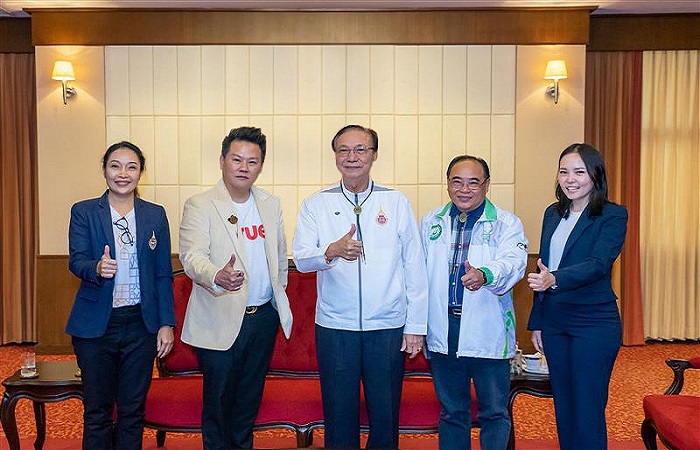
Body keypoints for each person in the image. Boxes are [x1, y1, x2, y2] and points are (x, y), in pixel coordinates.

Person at [292, 124, 428, 449]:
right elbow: (302, 259)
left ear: (374, 155)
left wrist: (415, 326)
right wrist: (331, 251)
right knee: (338, 413)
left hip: (387, 326)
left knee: (385, 413)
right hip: (336, 326)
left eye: (360, 149)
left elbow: (415, 266)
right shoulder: (316, 204)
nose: (352, 157)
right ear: (335, 156)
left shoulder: (395, 202)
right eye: (344, 150)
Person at [179, 126, 292, 450]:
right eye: (237, 159)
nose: (244, 167)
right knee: (218, 404)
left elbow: (279, 257)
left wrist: (277, 294)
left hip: (262, 319)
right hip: (220, 316)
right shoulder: (201, 204)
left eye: (252, 162)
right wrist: (217, 275)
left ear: (261, 166)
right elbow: (191, 257)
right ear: (222, 161)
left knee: (247, 402)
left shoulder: (270, 204)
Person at [66, 141, 175, 450]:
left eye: (131, 167)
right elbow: (76, 260)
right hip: (95, 326)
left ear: (141, 173)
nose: (122, 173)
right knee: (97, 411)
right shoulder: (84, 211)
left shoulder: (155, 215)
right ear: (104, 170)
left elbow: (163, 274)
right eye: (115, 166)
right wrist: (96, 267)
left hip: (140, 325)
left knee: (132, 410)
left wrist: (166, 323)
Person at [420, 155, 528, 450]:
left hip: (486, 328)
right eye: (457, 182)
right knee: (452, 411)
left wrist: (485, 274)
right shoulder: (431, 221)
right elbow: (416, 274)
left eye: (473, 183)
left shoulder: (506, 223)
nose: (464, 190)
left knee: (493, 412)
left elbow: (514, 263)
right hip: (444, 329)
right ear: (447, 184)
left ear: (487, 185)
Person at [527, 143, 628, 450]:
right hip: (555, 322)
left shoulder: (612, 215)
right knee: (564, 405)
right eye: (564, 172)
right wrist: (538, 322)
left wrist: (555, 279)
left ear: (595, 175)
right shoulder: (552, 213)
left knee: (587, 407)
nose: (570, 179)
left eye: (579, 172)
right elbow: (543, 266)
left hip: (593, 322)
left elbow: (598, 264)